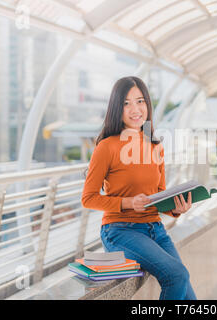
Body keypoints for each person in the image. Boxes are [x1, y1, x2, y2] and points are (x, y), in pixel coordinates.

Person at [81, 76, 197, 300]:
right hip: (121, 231)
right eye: (126, 103)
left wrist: (176, 209)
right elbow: (88, 198)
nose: (135, 109)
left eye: (140, 101)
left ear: (148, 105)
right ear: (117, 108)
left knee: (190, 298)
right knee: (177, 275)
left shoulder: (155, 146)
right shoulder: (107, 147)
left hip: (156, 230)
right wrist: (128, 202)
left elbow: (158, 194)